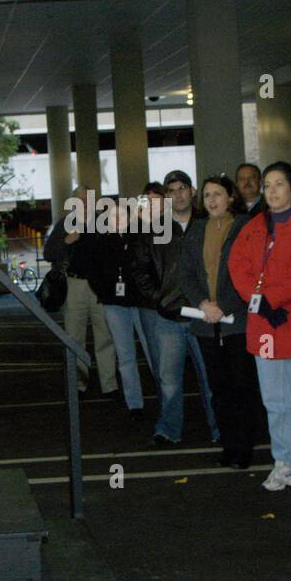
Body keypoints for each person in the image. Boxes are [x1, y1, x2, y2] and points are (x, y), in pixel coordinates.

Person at [228, 162, 291, 490]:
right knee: (274, 401)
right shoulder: (254, 227)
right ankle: (282, 461)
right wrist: (259, 300)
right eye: (267, 184)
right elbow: (237, 265)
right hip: (265, 329)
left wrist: (273, 297)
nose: (271, 191)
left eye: (279, 184)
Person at [130, 171, 217, 445]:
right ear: (166, 196)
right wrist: (159, 299)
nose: (177, 194)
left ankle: (220, 428)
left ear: (192, 191)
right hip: (169, 317)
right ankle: (168, 429)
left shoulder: (207, 226)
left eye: (182, 188)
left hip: (205, 316)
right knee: (168, 381)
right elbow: (140, 270)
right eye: (171, 190)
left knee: (211, 379)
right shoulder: (155, 229)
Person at [181, 175, 256, 469]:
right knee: (218, 389)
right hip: (205, 322)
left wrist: (223, 306)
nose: (212, 200)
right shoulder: (196, 230)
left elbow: (248, 273)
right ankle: (228, 445)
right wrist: (204, 304)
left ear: (231, 198)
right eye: (208, 195)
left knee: (241, 388)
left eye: (218, 194)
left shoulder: (245, 227)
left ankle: (244, 447)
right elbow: (186, 274)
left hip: (236, 322)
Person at [89, 191, 159, 423]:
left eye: (122, 214)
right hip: (114, 304)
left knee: (152, 350)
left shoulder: (140, 238)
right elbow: (94, 273)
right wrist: (104, 293)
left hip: (140, 302)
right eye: (113, 214)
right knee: (125, 354)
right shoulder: (101, 242)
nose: (118, 218)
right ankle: (134, 403)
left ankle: (165, 395)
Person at [43, 185, 119, 397]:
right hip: (73, 285)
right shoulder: (65, 224)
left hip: (99, 286)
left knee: (105, 336)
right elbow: (48, 253)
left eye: (88, 199)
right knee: (74, 338)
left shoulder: (103, 223)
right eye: (81, 200)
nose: (85, 204)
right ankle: (79, 384)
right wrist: (66, 241)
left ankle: (109, 385)